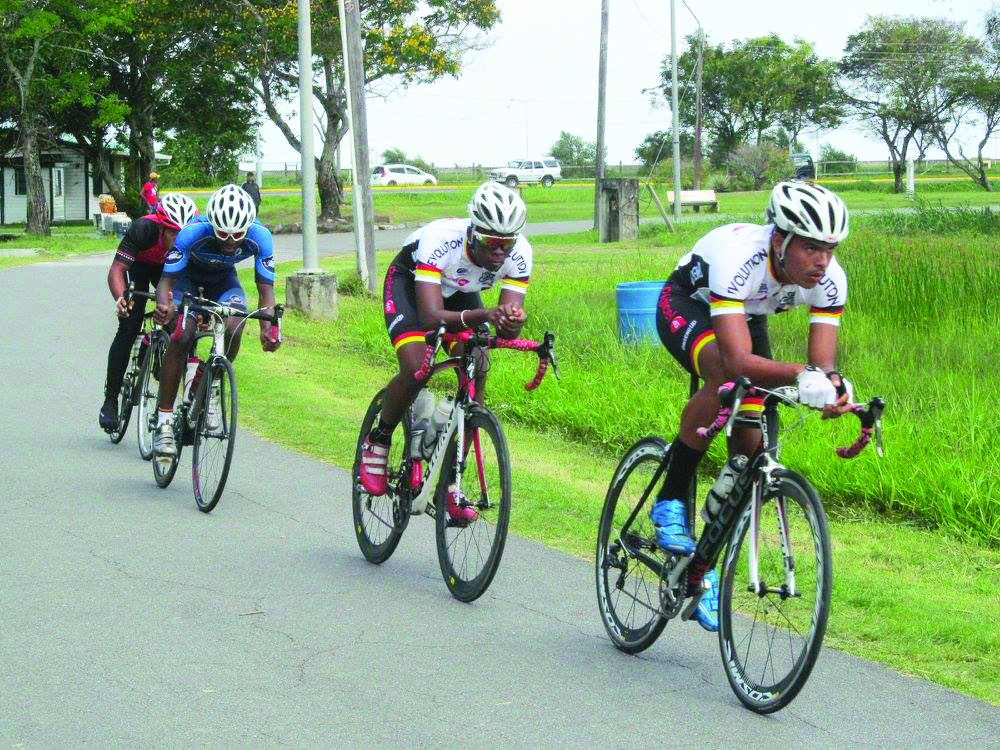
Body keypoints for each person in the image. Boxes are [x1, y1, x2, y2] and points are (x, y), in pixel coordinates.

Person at [651, 180, 854, 632]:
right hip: (690, 303)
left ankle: (700, 570)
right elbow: (741, 361)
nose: (822, 260)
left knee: (748, 450)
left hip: (748, 315)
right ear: (779, 240)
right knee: (725, 373)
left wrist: (835, 387)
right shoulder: (740, 258)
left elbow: (822, 364)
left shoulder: (830, 279)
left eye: (831, 248)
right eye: (812, 248)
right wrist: (803, 376)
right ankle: (669, 499)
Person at [358, 182, 531, 521]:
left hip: (461, 294)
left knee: (479, 362)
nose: (500, 252)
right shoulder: (441, 240)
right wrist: (487, 315)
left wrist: (512, 321)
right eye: (492, 242)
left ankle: (451, 484)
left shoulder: (520, 252)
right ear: (473, 232)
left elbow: (507, 325)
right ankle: (378, 439)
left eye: (507, 243)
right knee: (417, 365)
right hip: (413, 287)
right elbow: (431, 317)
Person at [151, 184, 280, 457]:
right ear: (212, 224)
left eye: (237, 235)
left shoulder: (261, 237)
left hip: (223, 281)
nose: (231, 241)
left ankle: (210, 384)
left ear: (248, 227)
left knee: (236, 324)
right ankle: (163, 421)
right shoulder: (192, 233)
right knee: (183, 333)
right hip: (188, 279)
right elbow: (166, 280)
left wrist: (268, 329)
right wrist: (164, 305)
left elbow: (265, 289)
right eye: (223, 234)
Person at [99, 193, 199, 432]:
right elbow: (117, 269)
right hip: (141, 268)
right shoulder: (144, 229)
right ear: (162, 228)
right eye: (173, 234)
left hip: (170, 271)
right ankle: (110, 401)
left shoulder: (194, 239)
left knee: (180, 320)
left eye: (182, 235)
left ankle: (150, 343)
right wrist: (121, 298)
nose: (178, 240)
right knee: (129, 325)